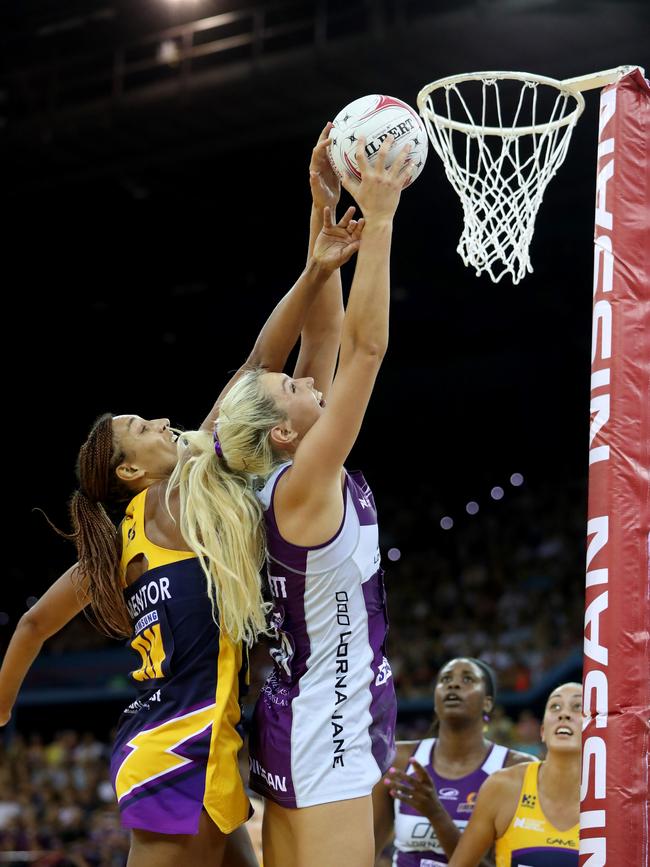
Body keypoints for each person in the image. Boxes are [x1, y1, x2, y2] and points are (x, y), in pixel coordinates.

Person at [0, 126, 361, 867]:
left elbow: (36, 623)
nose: (165, 421)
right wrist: (315, 262)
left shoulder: (130, 537)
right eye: (142, 426)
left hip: (200, 733)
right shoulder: (184, 490)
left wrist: (2, 705)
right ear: (132, 471)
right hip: (182, 746)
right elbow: (264, 362)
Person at [171, 135, 412, 867]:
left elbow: (328, 332)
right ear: (283, 429)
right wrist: (381, 221)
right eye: (299, 387)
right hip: (326, 731)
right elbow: (365, 351)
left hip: (305, 719)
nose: (313, 380)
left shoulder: (273, 477)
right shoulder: (304, 481)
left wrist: (323, 216)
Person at [374, 657, 533, 867]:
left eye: (468, 680)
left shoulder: (516, 768)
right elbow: (367, 849)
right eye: (445, 679)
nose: (453, 684)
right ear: (435, 699)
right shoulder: (397, 757)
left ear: (487, 702)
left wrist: (436, 815)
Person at [447, 682, 581, 867]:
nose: (564, 714)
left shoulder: (616, 802)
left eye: (578, 707)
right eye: (555, 706)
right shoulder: (503, 786)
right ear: (543, 731)